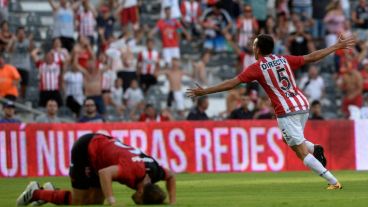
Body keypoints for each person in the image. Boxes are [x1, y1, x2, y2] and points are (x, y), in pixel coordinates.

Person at [187, 33, 356, 189]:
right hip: (302, 104)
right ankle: (315, 148)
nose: (253, 48)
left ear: (258, 49)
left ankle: (333, 182)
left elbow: (232, 83)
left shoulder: (257, 67)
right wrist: (335, 46)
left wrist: (205, 91)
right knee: (287, 138)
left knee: (300, 152)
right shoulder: (283, 59)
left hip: (286, 110)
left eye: (254, 45)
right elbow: (311, 57)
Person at [16, 133, 176, 206]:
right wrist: (113, 201)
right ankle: (35, 192)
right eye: (140, 203)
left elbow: (171, 176)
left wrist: (173, 202)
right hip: (86, 148)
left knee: (95, 202)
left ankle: (51, 192)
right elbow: (104, 174)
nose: (137, 202)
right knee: (79, 202)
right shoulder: (131, 171)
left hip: (102, 155)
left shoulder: (155, 172)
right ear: (141, 191)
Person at [7, 26, 34, 98]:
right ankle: (14, 97)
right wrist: (13, 41)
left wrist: (30, 40)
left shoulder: (27, 41)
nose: (21, 34)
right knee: (13, 85)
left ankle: (22, 98)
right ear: (17, 34)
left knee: (24, 85)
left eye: (23, 33)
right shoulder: (13, 41)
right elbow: (9, 51)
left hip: (25, 67)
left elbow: (30, 50)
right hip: (14, 67)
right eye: (20, 33)